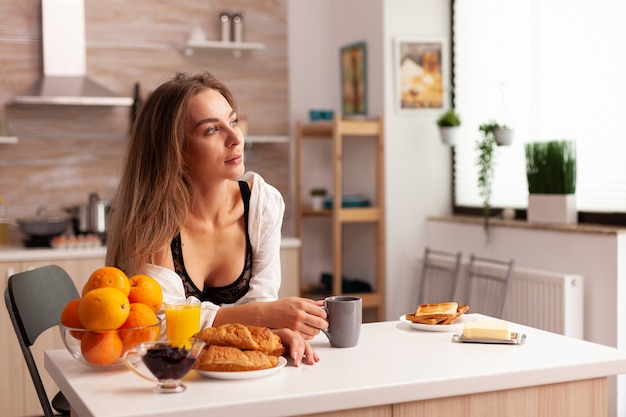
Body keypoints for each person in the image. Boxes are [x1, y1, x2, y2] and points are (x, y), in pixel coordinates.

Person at [105, 71, 328, 366]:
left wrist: (274, 330)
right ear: (177, 151)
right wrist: (264, 316)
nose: (236, 138)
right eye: (212, 130)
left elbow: (260, 303)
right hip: (166, 381)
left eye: (233, 122)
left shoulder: (262, 205)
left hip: (235, 374)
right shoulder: (153, 223)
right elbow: (159, 328)